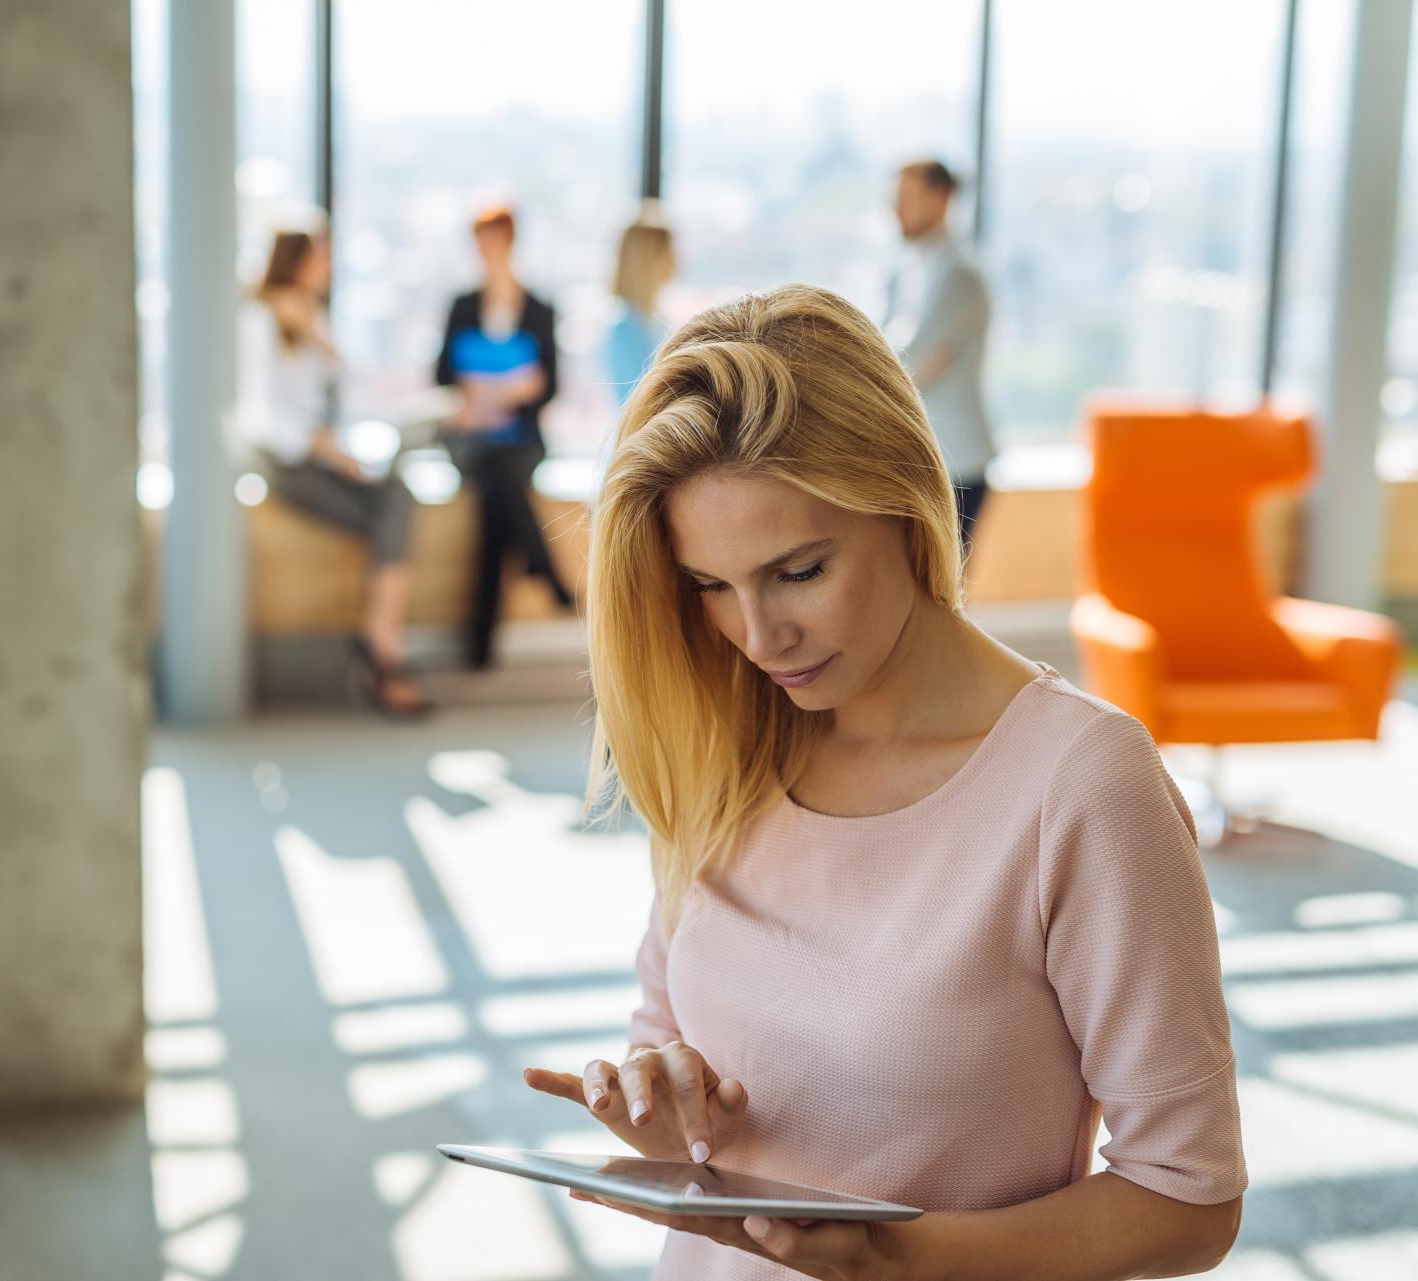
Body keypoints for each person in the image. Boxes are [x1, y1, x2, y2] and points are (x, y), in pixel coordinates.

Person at [522, 285, 1245, 1279]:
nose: (758, 635)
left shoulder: (1078, 786)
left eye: (798, 570)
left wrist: (897, 1261)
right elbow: (672, 1047)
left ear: (903, 504)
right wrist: (662, 1099)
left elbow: (1186, 1199)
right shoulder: (727, 750)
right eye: (710, 587)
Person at [240, 224, 428, 718]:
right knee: (391, 507)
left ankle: (379, 641)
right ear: (296, 260)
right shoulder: (259, 320)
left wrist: (318, 342)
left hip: (327, 456)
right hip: (287, 464)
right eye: (320, 257)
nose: (327, 267)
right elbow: (258, 417)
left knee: (397, 495)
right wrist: (319, 446)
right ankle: (382, 651)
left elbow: (351, 391)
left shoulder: (314, 317)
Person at [435, 206, 575, 669]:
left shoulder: (538, 308)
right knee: (495, 476)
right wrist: (486, 398)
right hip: (472, 438)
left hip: (519, 439)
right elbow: (440, 375)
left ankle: (479, 647)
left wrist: (509, 397)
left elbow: (550, 384)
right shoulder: (462, 305)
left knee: (498, 493)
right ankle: (544, 568)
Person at [883, 159, 997, 561]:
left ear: (941, 199)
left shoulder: (959, 275)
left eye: (907, 198)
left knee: (940, 591)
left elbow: (915, 364)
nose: (895, 210)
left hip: (957, 461)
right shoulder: (911, 268)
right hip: (927, 457)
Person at [606, 214, 675, 404]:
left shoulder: (657, 320)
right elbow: (639, 399)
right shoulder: (623, 328)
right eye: (666, 252)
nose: (675, 261)